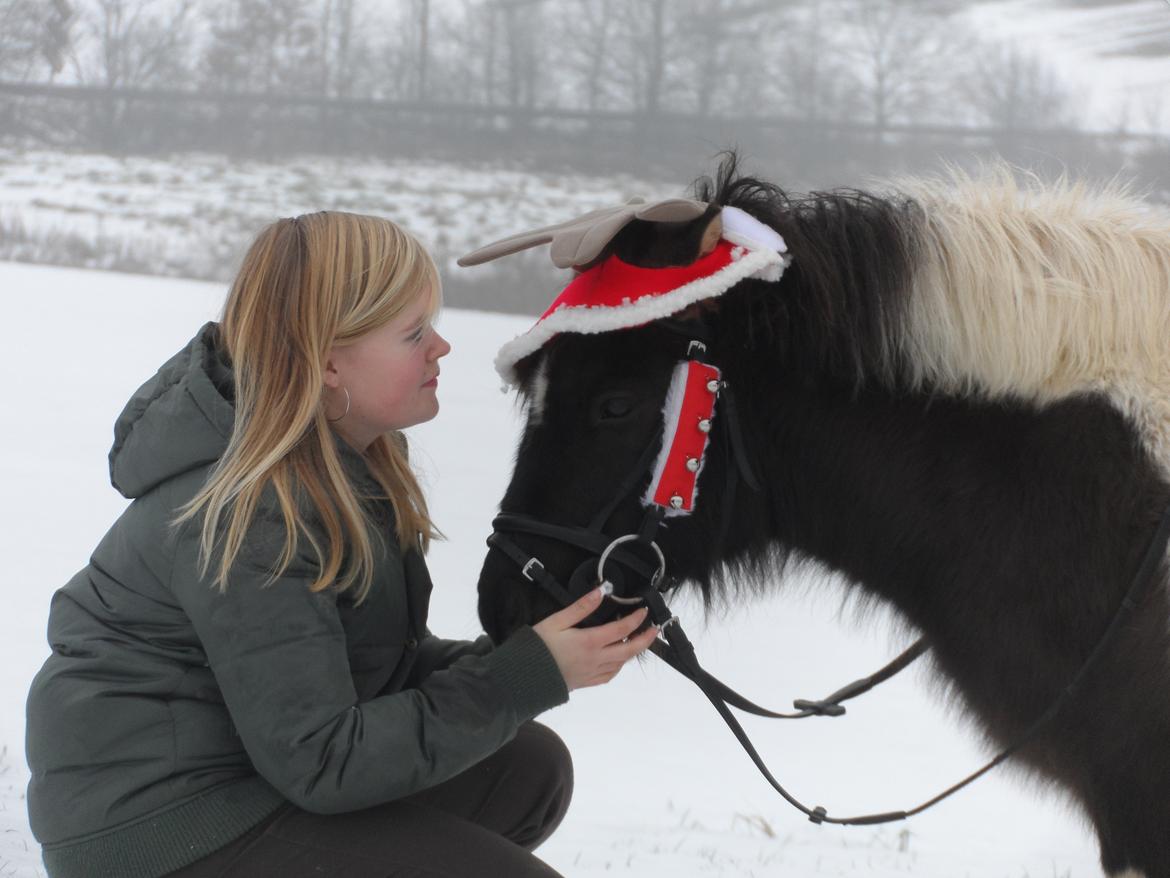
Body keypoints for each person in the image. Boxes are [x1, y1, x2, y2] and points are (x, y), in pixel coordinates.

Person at [24, 211, 661, 878]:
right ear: (329, 363)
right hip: (158, 828)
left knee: (525, 771)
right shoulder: (256, 516)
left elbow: (355, 671)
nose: (440, 347)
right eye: (413, 332)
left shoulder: (342, 470)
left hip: (249, 771)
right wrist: (523, 675)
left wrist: (527, 656)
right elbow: (324, 758)